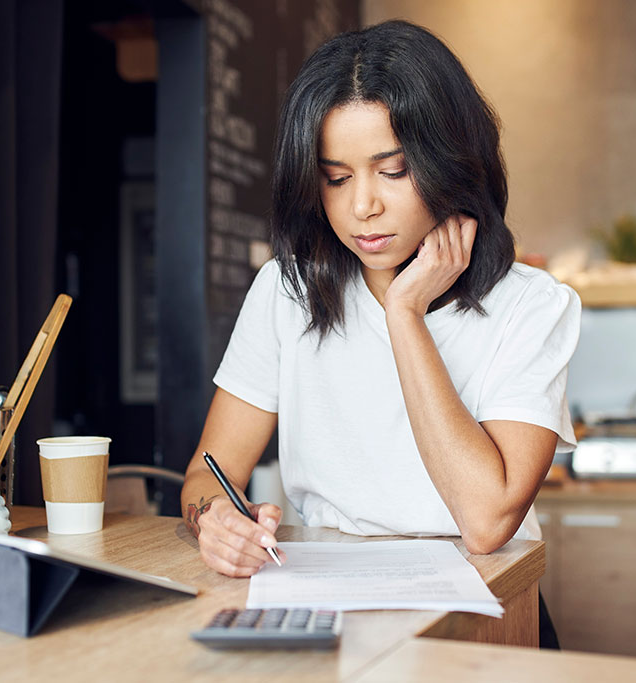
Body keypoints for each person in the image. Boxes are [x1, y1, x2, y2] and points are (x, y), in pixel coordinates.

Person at [180, 20, 580, 588]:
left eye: (392, 171)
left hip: (484, 607)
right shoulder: (285, 290)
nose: (362, 206)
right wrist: (216, 521)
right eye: (336, 179)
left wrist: (404, 312)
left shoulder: (531, 305)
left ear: (451, 161)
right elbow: (206, 475)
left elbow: (487, 521)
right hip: (328, 596)